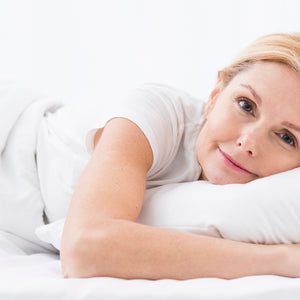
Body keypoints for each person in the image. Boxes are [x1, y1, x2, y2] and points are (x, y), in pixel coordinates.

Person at [60, 32, 300, 280]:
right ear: (215, 96)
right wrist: (280, 260)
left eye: (286, 137)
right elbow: (84, 249)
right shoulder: (156, 114)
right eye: (246, 105)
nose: (248, 143)